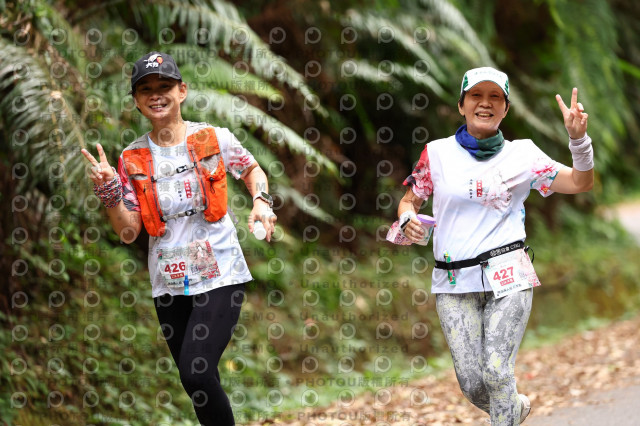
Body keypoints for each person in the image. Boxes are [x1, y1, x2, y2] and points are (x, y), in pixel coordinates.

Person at [81, 51, 277, 426]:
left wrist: (261, 202)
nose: (156, 95)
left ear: (182, 91)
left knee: (196, 372)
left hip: (220, 271)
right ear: (136, 100)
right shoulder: (132, 157)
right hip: (169, 280)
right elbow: (128, 231)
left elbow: (252, 170)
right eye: (146, 89)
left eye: (164, 86)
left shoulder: (214, 138)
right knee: (197, 384)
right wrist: (109, 191)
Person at [394, 67, 593, 425]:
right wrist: (407, 219)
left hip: (509, 274)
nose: (485, 103)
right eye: (476, 95)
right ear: (461, 105)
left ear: (505, 108)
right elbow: (410, 201)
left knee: (498, 372)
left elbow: (580, 182)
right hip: (453, 283)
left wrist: (578, 141)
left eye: (495, 97)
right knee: (473, 384)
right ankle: (513, 410)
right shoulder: (436, 154)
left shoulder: (524, 155)